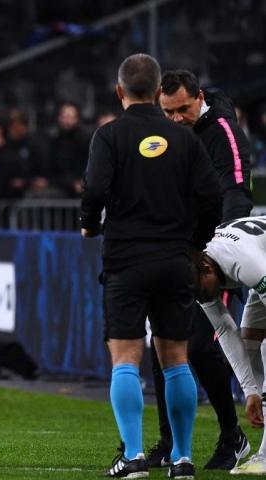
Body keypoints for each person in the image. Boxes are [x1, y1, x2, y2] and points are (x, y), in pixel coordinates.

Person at [80, 54, 221, 478]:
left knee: (125, 357)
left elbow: (95, 190)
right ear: (159, 92)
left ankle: (136, 456)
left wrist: (90, 225)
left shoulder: (109, 136)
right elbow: (212, 198)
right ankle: (182, 458)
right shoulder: (184, 139)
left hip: (126, 260)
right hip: (175, 261)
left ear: (120, 91)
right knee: (175, 358)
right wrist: (194, 243)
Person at [143, 70, 255, 470]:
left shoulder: (221, 130)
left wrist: (215, 252)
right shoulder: (169, 130)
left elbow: (237, 192)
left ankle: (232, 435)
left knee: (200, 345)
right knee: (161, 346)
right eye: (168, 111)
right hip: (178, 247)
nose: (175, 119)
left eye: (183, 109)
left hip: (215, 256)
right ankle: (170, 442)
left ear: (200, 97)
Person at [193, 216, 266, 474]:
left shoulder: (243, 262)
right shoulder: (199, 272)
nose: (202, 297)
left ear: (207, 267)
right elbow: (224, 328)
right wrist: (251, 392)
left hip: (259, 260)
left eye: (201, 289)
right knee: (250, 343)